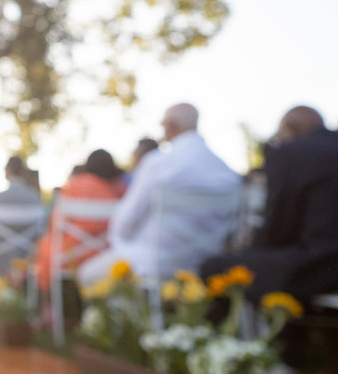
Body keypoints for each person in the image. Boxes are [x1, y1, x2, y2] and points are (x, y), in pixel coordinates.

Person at [201, 106, 338, 302]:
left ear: (291, 128)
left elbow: (275, 232)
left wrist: (247, 249)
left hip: (327, 271)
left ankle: (234, 333)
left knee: (215, 267)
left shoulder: (293, 152)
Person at [79, 103, 241, 285]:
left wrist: (122, 240)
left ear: (171, 125)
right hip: (206, 263)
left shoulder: (158, 164)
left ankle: (131, 313)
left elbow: (125, 222)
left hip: (155, 264)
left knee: (88, 275)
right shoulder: (228, 174)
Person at [33, 150, 126, 289]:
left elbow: (54, 224)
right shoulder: (119, 190)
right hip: (107, 254)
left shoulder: (75, 185)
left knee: (44, 246)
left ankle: (48, 304)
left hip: (69, 256)